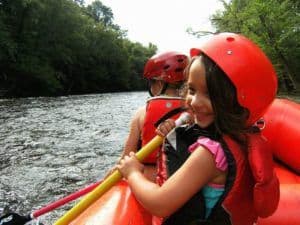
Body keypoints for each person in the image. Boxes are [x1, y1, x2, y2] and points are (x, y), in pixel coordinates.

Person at [117, 32, 280, 225]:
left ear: (239, 102)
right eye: (192, 90)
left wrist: (133, 172)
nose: (194, 101)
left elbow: (159, 204)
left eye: (210, 95)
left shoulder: (209, 155)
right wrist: (175, 134)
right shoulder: (244, 137)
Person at [115, 51, 189, 181]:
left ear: (159, 83)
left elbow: (125, 159)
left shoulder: (141, 113)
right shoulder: (195, 112)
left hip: (146, 183)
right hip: (182, 183)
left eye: (151, 83)